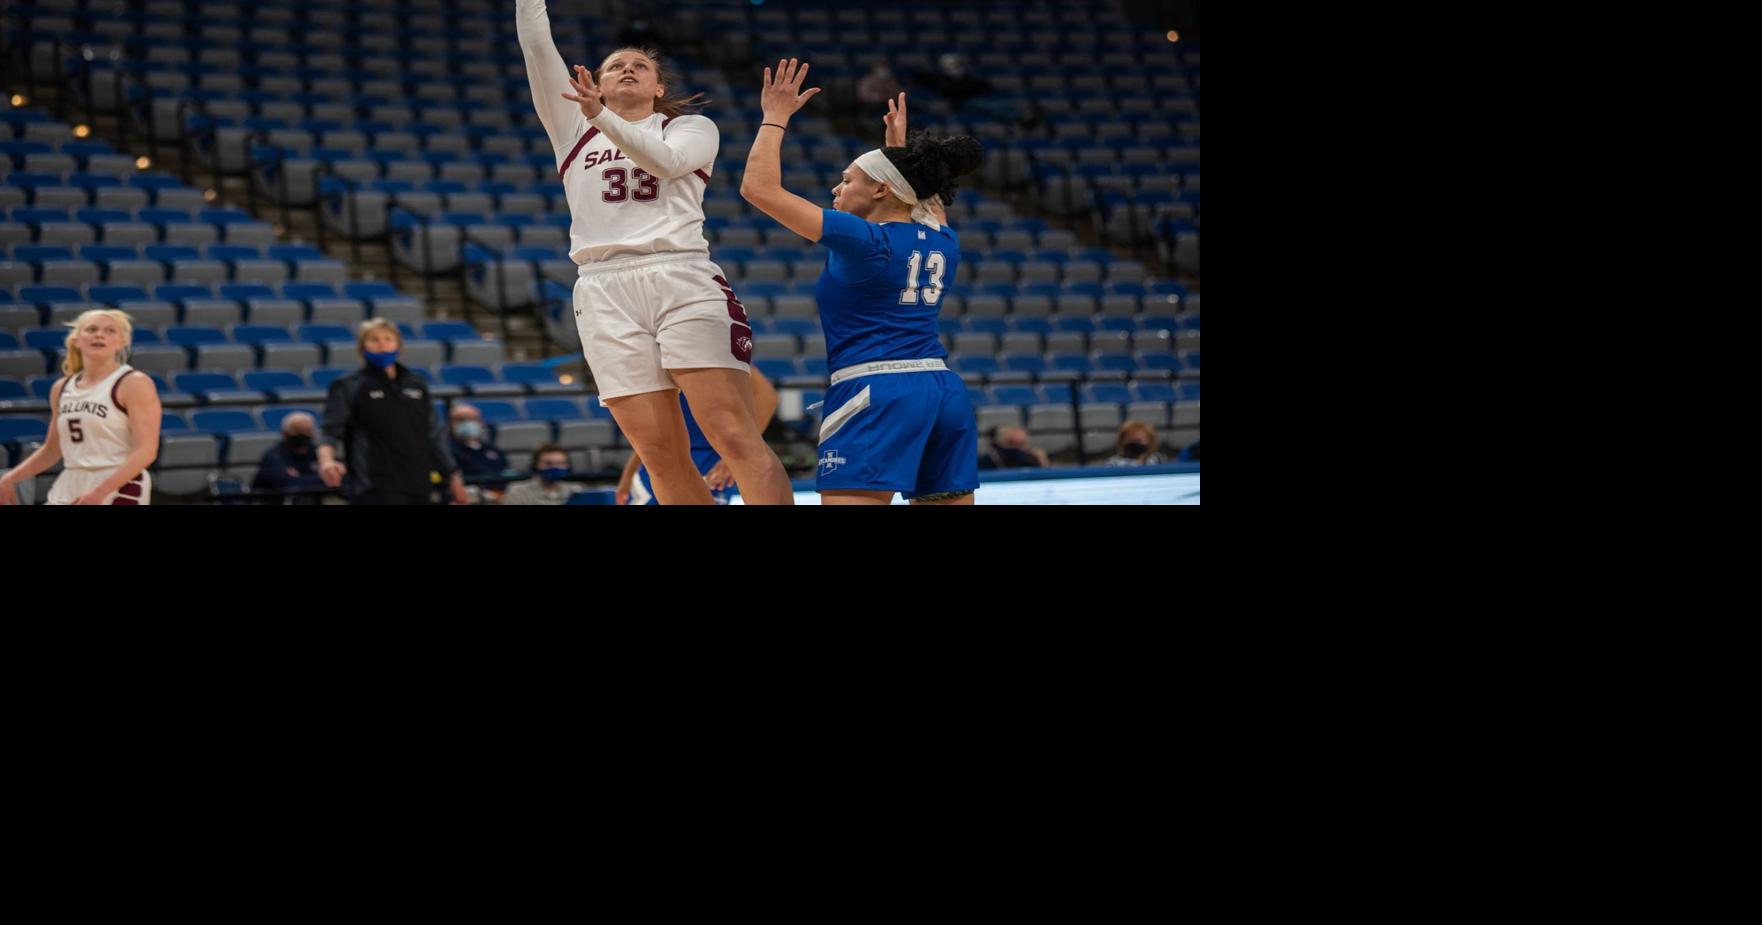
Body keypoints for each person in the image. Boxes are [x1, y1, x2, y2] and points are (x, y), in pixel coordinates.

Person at [516, 0, 792, 505]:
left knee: (732, 436)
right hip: (601, 287)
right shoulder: (572, 130)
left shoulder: (690, 127)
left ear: (658, 88)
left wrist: (600, 115)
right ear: (595, 84)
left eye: (640, 66)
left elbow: (666, 164)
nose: (628, 69)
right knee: (659, 452)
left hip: (679, 275)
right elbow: (537, 42)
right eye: (616, 65)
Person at [740, 61, 983, 505]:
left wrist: (774, 115)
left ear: (880, 191)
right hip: (942, 390)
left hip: (876, 390)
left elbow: (758, 188)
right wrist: (898, 150)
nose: (835, 189)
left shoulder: (865, 239)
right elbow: (918, 200)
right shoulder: (943, 238)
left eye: (846, 180)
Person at [0, 308, 161, 505]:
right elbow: (52, 449)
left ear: (122, 342)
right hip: (71, 480)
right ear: (76, 339)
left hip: (119, 482)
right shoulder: (61, 388)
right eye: (91, 329)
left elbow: (146, 450)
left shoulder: (133, 382)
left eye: (110, 331)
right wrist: (11, 478)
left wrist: (100, 493)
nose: (99, 334)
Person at [317, 318, 469, 505]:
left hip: (418, 483)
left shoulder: (416, 383)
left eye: (388, 338)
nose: (382, 344)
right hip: (374, 486)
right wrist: (326, 461)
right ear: (362, 347)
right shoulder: (348, 385)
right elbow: (330, 431)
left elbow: (433, 433)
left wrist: (452, 476)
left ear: (398, 344)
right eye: (374, 339)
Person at [616, 366, 778, 505]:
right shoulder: (654, 351)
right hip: (660, 458)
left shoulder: (702, 343)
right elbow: (653, 432)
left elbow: (767, 396)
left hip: (709, 457)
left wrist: (739, 451)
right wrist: (628, 475)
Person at [252, 411, 325, 503]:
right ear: (285, 433)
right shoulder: (273, 456)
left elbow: (336, 480)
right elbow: (288, 485)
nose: (302, 435)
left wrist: (298, 478)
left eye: (306, 431)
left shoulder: (316, 453)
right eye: (297, 431)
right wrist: (321, 479)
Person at [501, 443, 579, 505]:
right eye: (548, 464)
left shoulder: (576, 490)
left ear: (567, 466)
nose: (555, 467)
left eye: (560, 463)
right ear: (536, 465)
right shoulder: (517, 492)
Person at [979, 426, 1049, 470]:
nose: (1017, 448)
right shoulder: (988, 460)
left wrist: (1042, 459)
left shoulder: (1032, 458)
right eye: (1011, 443)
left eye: (1023, 443)